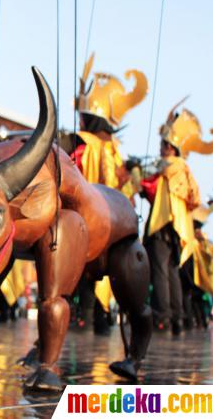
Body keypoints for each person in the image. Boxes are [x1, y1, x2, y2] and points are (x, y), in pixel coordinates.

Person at [72, 53, 148, 334]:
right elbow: (125, 187)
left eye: (83, 116)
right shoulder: (117, 151)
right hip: (115, 221)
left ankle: (86, 315)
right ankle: (101, 318)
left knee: (84, 266)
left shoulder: (85, 146)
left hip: (88, 216)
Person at [140, 99, 213, 334]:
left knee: (161, 271)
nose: (161, 148)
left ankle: (162, 317)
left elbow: (145, 180)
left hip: (162, 224)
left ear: (171, 147)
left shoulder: (168, 164)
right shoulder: (186, 169)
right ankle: (177, 317)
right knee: (172, 271)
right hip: (179, 228)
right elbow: (194, 198)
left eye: (164, 144)